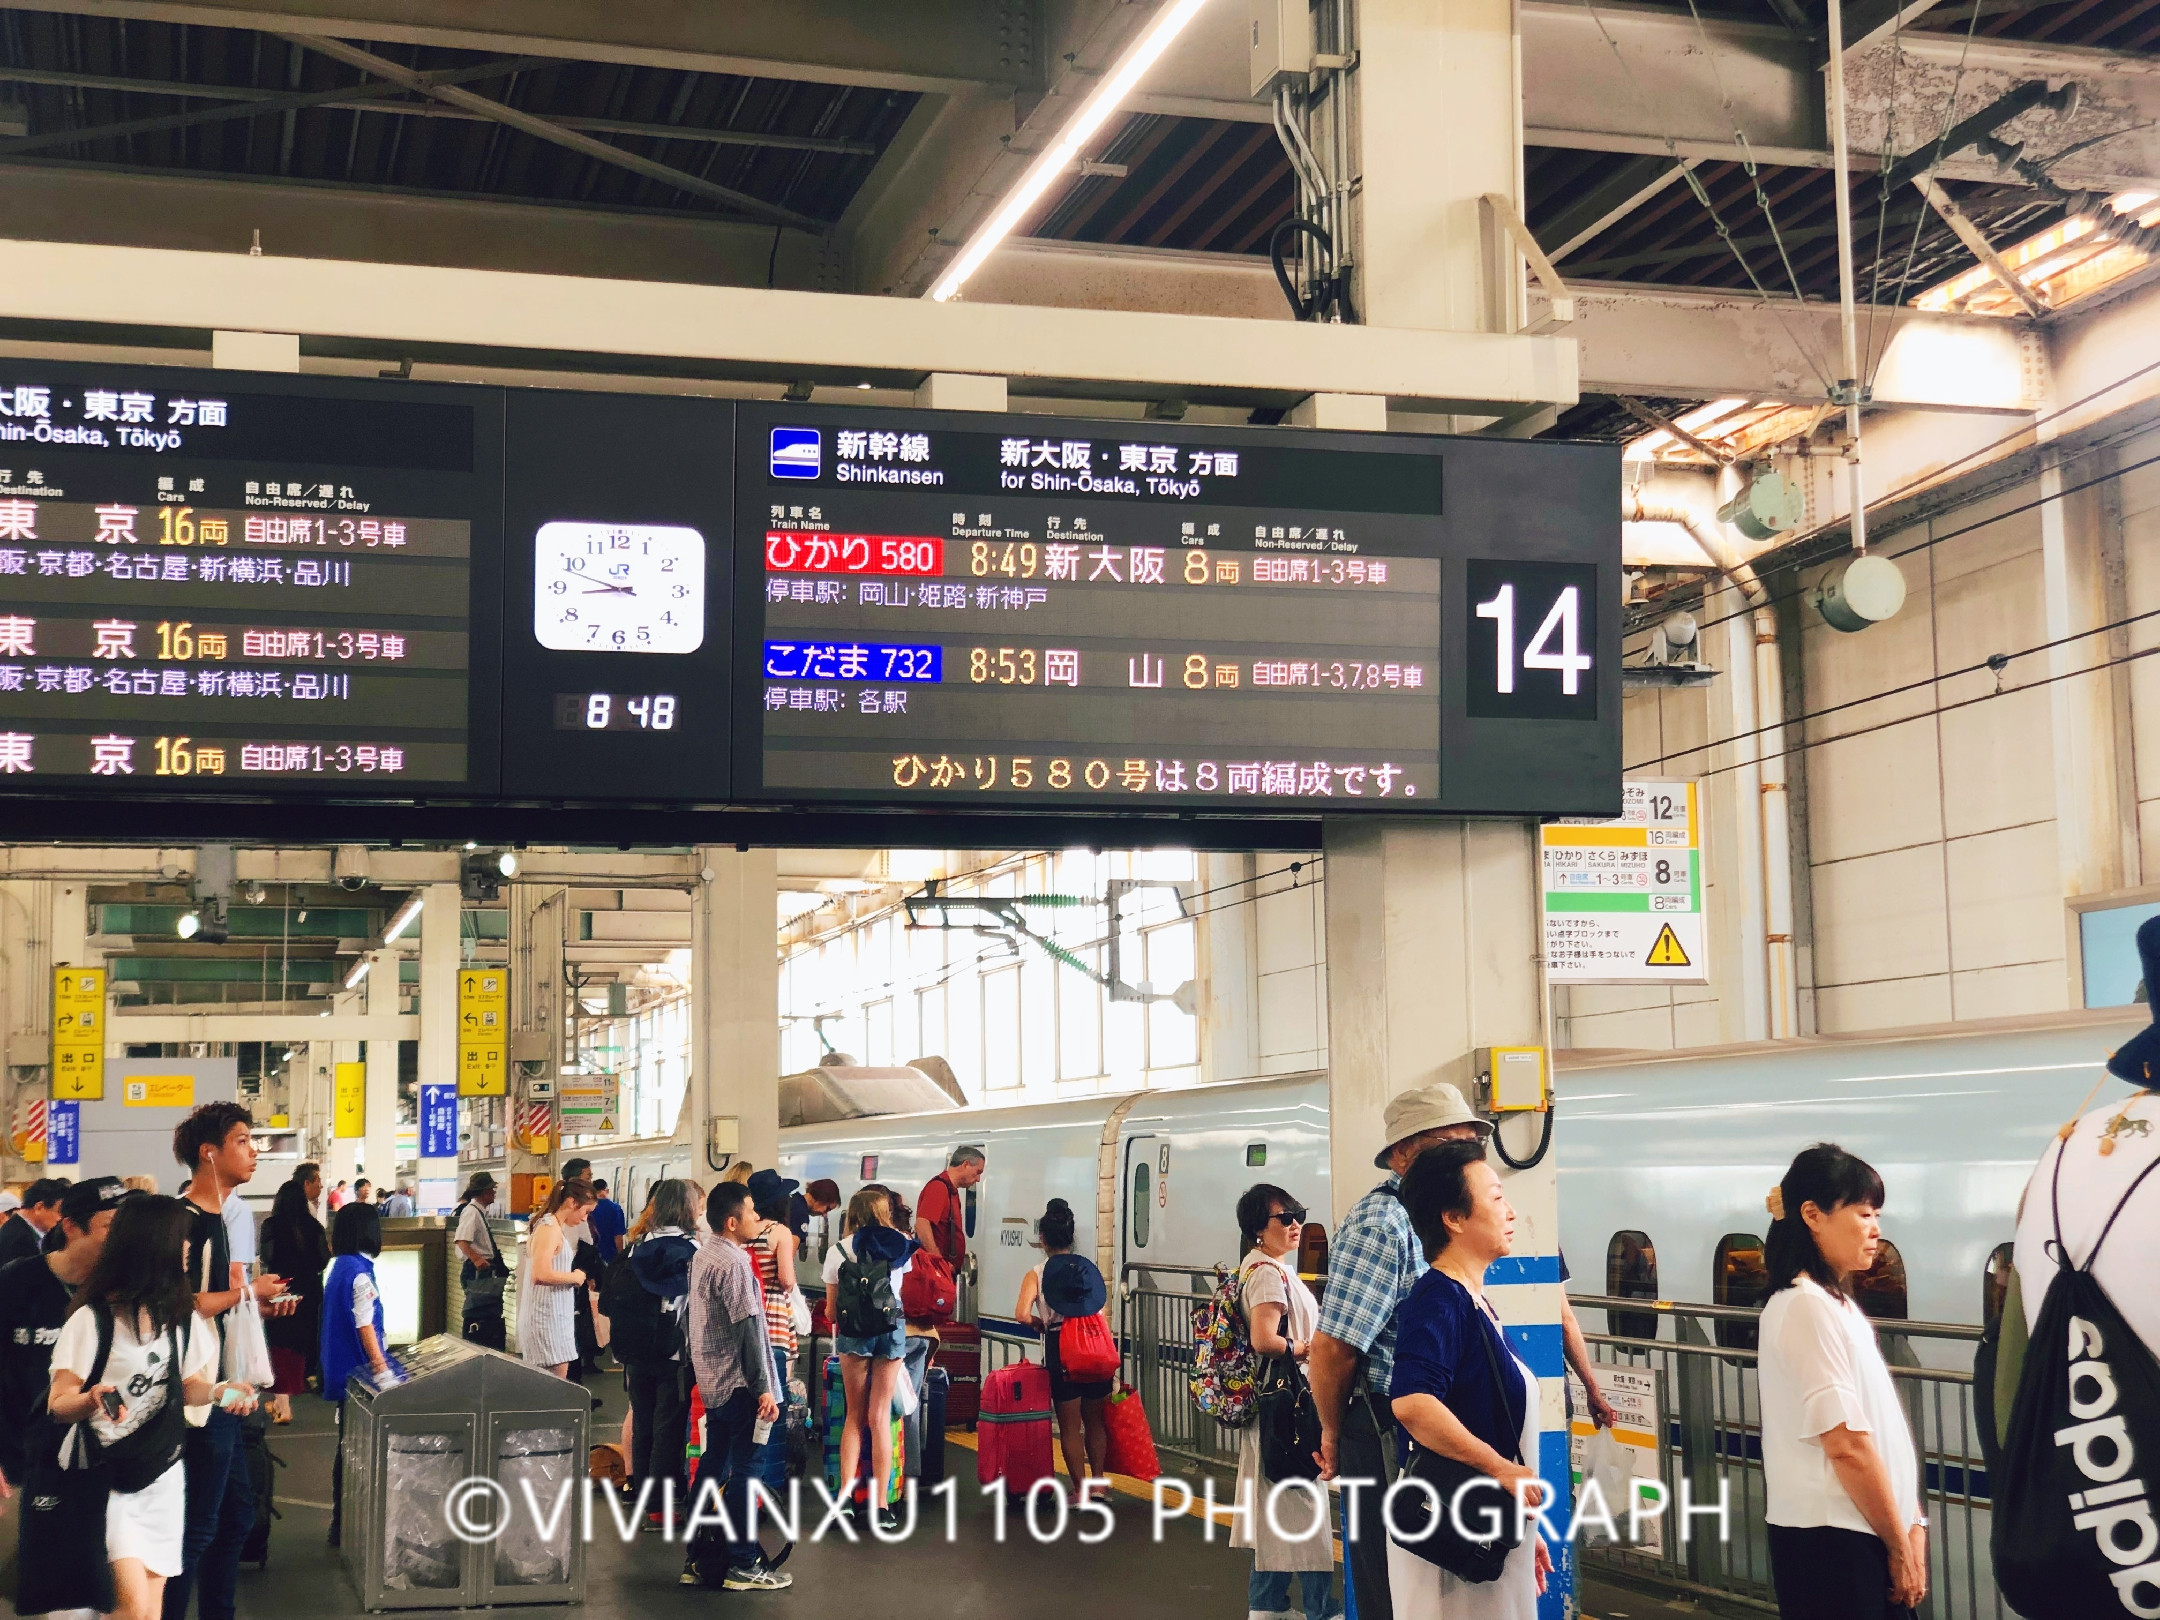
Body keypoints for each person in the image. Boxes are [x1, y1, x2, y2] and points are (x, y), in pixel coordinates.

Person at [1310, 1082, 1492, 1620]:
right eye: (1453, 1142)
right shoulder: (1381, 1223)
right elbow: (1335, 1347)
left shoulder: (1445, 1218)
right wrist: (1332, 1433)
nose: (1468, 1154)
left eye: (1471, 1142)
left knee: (1442, 1584)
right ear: (1404, 1153)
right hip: (1386, 1429)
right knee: (1393, 1584)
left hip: (1434, 1430)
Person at [47, 1194, 258, 1620]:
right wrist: (89, 1399)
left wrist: (221, 1392)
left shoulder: (182, 1320)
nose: (186, 1249)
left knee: (150, 1610)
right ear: (153, 1245)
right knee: (131, 1607)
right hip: (103, 1480)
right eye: (181, 1239)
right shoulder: (91, 1321)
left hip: (161, 1475)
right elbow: (57, 1403)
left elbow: (189, 1386)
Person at [1756, 1144, 1924, 1619]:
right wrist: (1898, 1545)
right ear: (1812, 1215)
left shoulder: (1834, 1305)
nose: (1876, 1230)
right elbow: (1845, 1443)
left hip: (1860, 1529)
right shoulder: (1804, 1306)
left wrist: (1913, 1524)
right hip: (1833, 1541)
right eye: (1864, 1213)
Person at [1386, 1140, 1549, 1620]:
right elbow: (1412, 1402)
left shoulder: (1473, 1301)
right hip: (1453, 1543)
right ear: (1454, 1219)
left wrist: (1525, 1533)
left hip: (1484, 1528)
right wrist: (1500, 1469)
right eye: (1496, 1197)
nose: (1511, 1211)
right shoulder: (1439, 1300)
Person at [166, 1101, 289, 1620]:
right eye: (242, 1140)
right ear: (208, 1152)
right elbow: (183, 1302)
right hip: (199, 1386)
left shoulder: (218, 1217)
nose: (254, 1150)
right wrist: (247, 1295)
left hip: (224, 1382)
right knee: (199, 1525)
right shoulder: (187, 1221)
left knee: (236, 1514)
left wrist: (256, 1300)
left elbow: (210, 1303)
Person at [1227, 1184, 1337, 1620]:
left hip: (1277, 1407)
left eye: (1298, 1214)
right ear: (1258, 1229)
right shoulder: (1268, 1274)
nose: (1296, 1224)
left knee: (1279, 1513)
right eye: (1284, 1218)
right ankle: (1319, 1609)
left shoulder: (1262, 1267)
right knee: (1303, 1509)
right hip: (1288, 1407)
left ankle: (1268, 1606)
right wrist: (1307, 1349)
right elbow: (1263, 1338)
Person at [685, 1181, 790, 1591]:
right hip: (742, 1385)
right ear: (732, 1222)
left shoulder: (704, 1254)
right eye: (750, 1212)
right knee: (748, 1470)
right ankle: (743, 1562)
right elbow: (747, 1328)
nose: (757, 1219)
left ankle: (698, 1557)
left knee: (713, 1468)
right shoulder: (734, 1263)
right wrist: (763, 1386)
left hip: (714, 1383)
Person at [0, 1175, 128, 1497]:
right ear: (71, 1226)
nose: (121, 1238)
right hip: (19, 1462)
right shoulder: (17, 1280)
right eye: (109, 1226)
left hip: (100, 1464)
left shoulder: (124, 1293)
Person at [823, 1186, 915, 1529]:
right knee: (879, 1418)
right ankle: (880, 1506)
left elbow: (832, 1311)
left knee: (853, 1417)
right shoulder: (899, 1247)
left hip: (853, 1337)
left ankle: (845, 1500)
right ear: (882, 1213)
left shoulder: (837, 1251)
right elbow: (897, 1295)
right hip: (890, 1334)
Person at [618, 1180, 699, 1530]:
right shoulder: (693, 1248)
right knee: (668, 1427)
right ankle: (661, 1508)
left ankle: (641, 1496)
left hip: (636, 1351)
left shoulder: (636, 1247)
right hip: (674, 1352)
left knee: (644, 1422)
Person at [1012, 1197, 1112, 1482]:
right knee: (1095, 1422)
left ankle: (1079, 1489)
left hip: (1062, 1347)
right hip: (1095, 1345)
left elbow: (1021, 1314)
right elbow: (1099, 1307)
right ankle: (1099, 1485)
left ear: (1042, 1238)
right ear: (1071, 1236)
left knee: (1070, 1427)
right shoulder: (1087, 1268)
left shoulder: (1038, 1273)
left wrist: (1038, 1323)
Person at [321, 1201, 392, 1548]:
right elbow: (365, 1325)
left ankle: (340, 1521)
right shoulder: (361, 1273)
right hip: (362, 1373)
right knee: (358, 1450)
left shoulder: (338, 1267)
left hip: (340, 1371)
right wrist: (383, 1372)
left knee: (346, 1446)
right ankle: (347, 1524)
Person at [744, 1170, 800, 1497]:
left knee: (751, 1398)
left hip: (748, 1315)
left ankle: (747, 1475)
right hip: (774, 1317)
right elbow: (788, 1279)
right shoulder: (778, 1232)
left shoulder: (744, 1230)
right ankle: (769, 1479)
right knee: (774, 1396)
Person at [259, 1169, 330, 1424]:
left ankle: (282, 1398)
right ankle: (296, 1385)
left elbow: (266, 1257)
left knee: (280, 1342)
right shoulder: (314, 1226)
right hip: (310, 1290)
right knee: (302, 1341)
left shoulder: (271, 1225)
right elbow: (323, 1258)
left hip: (281, 1289)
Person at [519, 1178, 596, 1378]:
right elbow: (540, 1274)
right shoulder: (549, 1228)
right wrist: (575, 1277)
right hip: (547, 1322)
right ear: (572, 1202)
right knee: (550, 1393)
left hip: (552, 1319)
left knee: (550, 1390)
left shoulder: (552, 1227)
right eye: (585, 1212)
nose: (584, 1219)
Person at [915, 1146, 983, 1273]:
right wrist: (938, 1262)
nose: (978, 1179)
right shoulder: (939, 1188)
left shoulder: (951, 1191)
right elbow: (922, 1224)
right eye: (977, 1172)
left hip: (945, 1271)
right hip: (936, 1272)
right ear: (966, 1164)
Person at [0, 1179, 67, 1267]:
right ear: (39, 1208)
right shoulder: (17, 1239)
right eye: (58, 1211)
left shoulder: (28, 1231)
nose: (60, 1218)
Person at [788, 1177, 840, 1246]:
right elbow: (789, 1250)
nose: (824, 1214)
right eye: (827, 1208)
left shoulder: (789, 1200)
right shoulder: (801, 1214)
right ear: (822, 1198)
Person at [588, 1179, 627, 1266]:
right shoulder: (615, 1208)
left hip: (591, 1255)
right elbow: (618, 1237)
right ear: (607, 1190)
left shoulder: (588, 1208)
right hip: (610, 1256)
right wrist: (621, 1257)